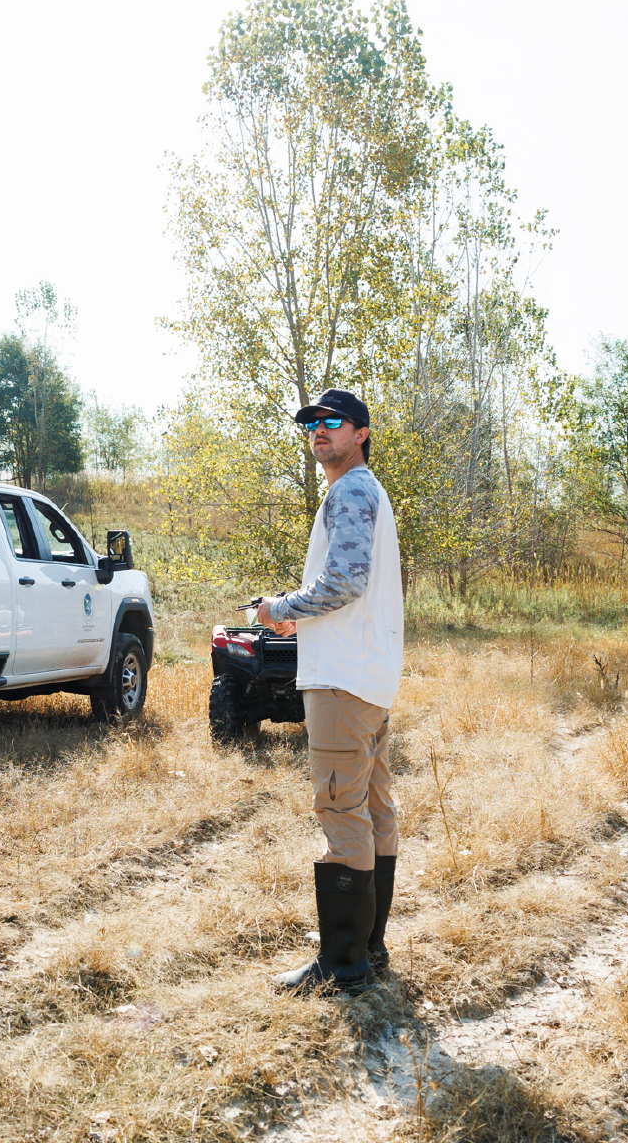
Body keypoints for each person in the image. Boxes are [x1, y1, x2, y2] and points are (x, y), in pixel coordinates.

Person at [257, 389, 404, 994]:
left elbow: (344, 580)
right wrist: (302, 616)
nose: (319, 430)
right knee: (372, 810)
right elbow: (352, 587)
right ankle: (369, 951)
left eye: (332, 422)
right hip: (366, 675)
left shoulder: (350, 491)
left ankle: (343, 967)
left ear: (361, 433)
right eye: (311, 422)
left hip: (342, 679)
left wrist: (280, 607)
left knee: (341, 811)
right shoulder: (366, 492)